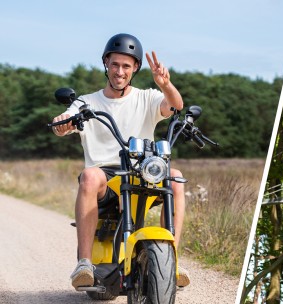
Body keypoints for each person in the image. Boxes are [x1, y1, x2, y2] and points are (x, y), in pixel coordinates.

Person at [51, 33, 190, 288]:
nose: (119, 71)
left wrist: (165, 85)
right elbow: (64, 120)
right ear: (106, 64)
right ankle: (84, 263)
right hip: (106, 178)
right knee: (90, 175)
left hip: (141, 173)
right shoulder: (87, 102)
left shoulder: (146, 97)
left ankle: (172, 261)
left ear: (135, 68)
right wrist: (63, 123)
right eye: (115, 64)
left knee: (177, 178)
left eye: (126, 66)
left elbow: (175, 106)